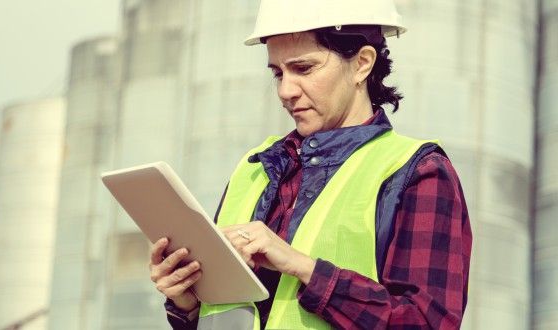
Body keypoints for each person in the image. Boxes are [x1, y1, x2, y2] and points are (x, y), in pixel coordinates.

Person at [149, 0, 472, 329]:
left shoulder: (416, 172)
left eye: (303, 68)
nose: (286, 90)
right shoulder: (253, 169)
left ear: (362, 63)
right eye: (278, 73)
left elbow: (426, 323)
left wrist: (302, 267)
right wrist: (187, 302)